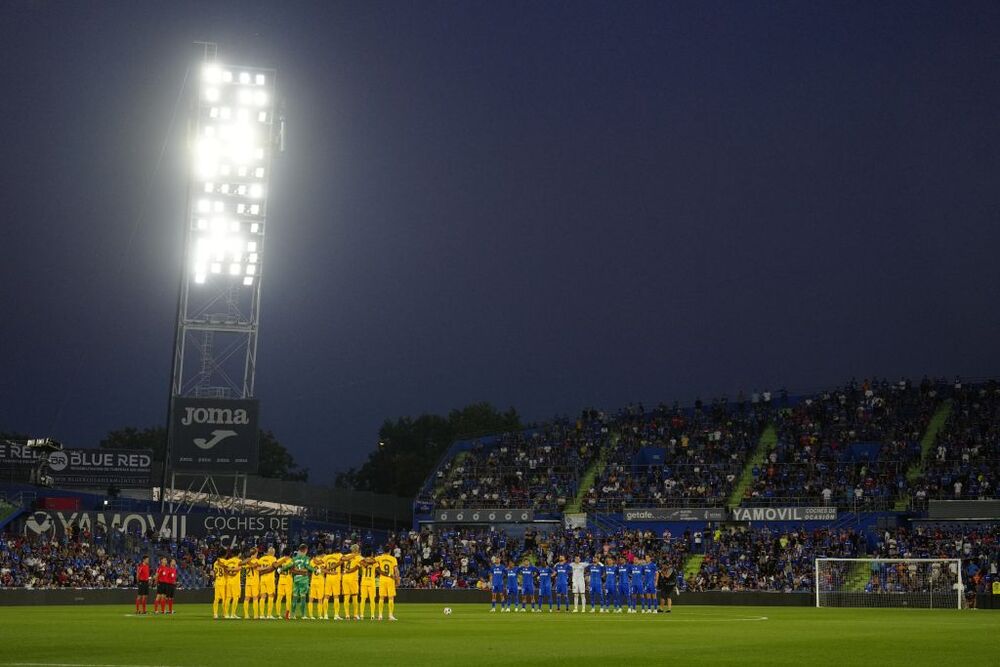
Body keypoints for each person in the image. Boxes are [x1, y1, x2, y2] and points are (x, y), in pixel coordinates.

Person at [281, 543, 314, 620]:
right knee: (303, 597)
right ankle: (303, 615)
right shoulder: (306, 558)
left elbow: (288, 566)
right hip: (304, 579)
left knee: (295, 597)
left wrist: (281, 569)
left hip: (296, 579)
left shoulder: (294, 559)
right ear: (305, 550)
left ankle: (293, 615)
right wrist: (315, 570)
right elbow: (308, 567)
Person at [375, 548, 399, 621]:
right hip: (390, 579)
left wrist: (378, 569)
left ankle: (380, 616)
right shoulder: (393, 558)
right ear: (390, 551)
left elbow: (373, 562)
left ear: (383, 551)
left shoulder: (379, 557)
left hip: (382, 579)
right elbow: (396, 570)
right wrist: (397, 580)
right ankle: (390, 616)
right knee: (391, 598)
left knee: (381, 598)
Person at [341, 545, 363, 620]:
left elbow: (342, 559)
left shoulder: (346, 555)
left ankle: (347, 615)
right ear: (357, 549)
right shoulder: (359, 557)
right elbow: (358, 567)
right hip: (353, 578)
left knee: (346, 596)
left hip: (345, 577)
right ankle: (355, 615)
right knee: (354, 596)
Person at [322, 549, 343, 620]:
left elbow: (322, 569)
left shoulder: (326, 557)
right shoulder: (340, 556)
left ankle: (325, 615)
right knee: (336, 597)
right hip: (336, 578)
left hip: (328, 578)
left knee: (326, 596)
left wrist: (330, 572)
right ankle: (336, 615)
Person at [358, 553, 379, 620]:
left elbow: (359, 569)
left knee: (363, 599)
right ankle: (372, 615)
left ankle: (361, 615)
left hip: (364, 581)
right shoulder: (374, 561)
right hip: (371, 582)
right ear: (371, 554)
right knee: (372, 600)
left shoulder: (362, 561)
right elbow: (378, 570)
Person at [242, 548, 261, 620]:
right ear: (255, 553)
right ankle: (256, 615)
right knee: (255, 598)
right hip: (254, 581)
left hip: (248, 581)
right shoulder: (256, 560)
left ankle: (246, 615)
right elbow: (256, 567)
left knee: (247, 598)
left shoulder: (246, 561)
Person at [275, 549, 293, 619]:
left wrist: (279, 570)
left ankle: (278, 614)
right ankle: (288, 614)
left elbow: (275, 566)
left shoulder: (280, 559)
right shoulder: (291, 560)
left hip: (281, 580)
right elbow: (292, 568)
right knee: (288, 598)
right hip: (288, 580)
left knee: (279, 597)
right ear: (290, 553)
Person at [224, 550, 243, 619]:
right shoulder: (239, 561)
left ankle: (226, 614)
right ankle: (233, 614)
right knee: (236, 597)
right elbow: (239, 568)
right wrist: (235, 569)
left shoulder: (228, 561)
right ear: (239, 554)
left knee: (228, 598)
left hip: (228, 581)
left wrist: (229, 569)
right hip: (235, 582)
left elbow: (225, 569)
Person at [308, 551, 326, 619]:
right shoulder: (323, 560)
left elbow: (310, 569)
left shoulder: (312, 561)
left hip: (313, 580)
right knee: (320, 599)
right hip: (320, 580)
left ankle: (310, 615)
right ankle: (319, 615)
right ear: (321, 554)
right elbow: (322, 570)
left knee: (311, 598)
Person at [212, 554, 227, 619]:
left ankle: (215, 614)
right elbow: (226, 570)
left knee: (216, 599)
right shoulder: (224, 561)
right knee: (224, 599)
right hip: (223, 581)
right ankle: (225, 614)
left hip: (217, 581)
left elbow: (215, 573)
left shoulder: (215, 562)